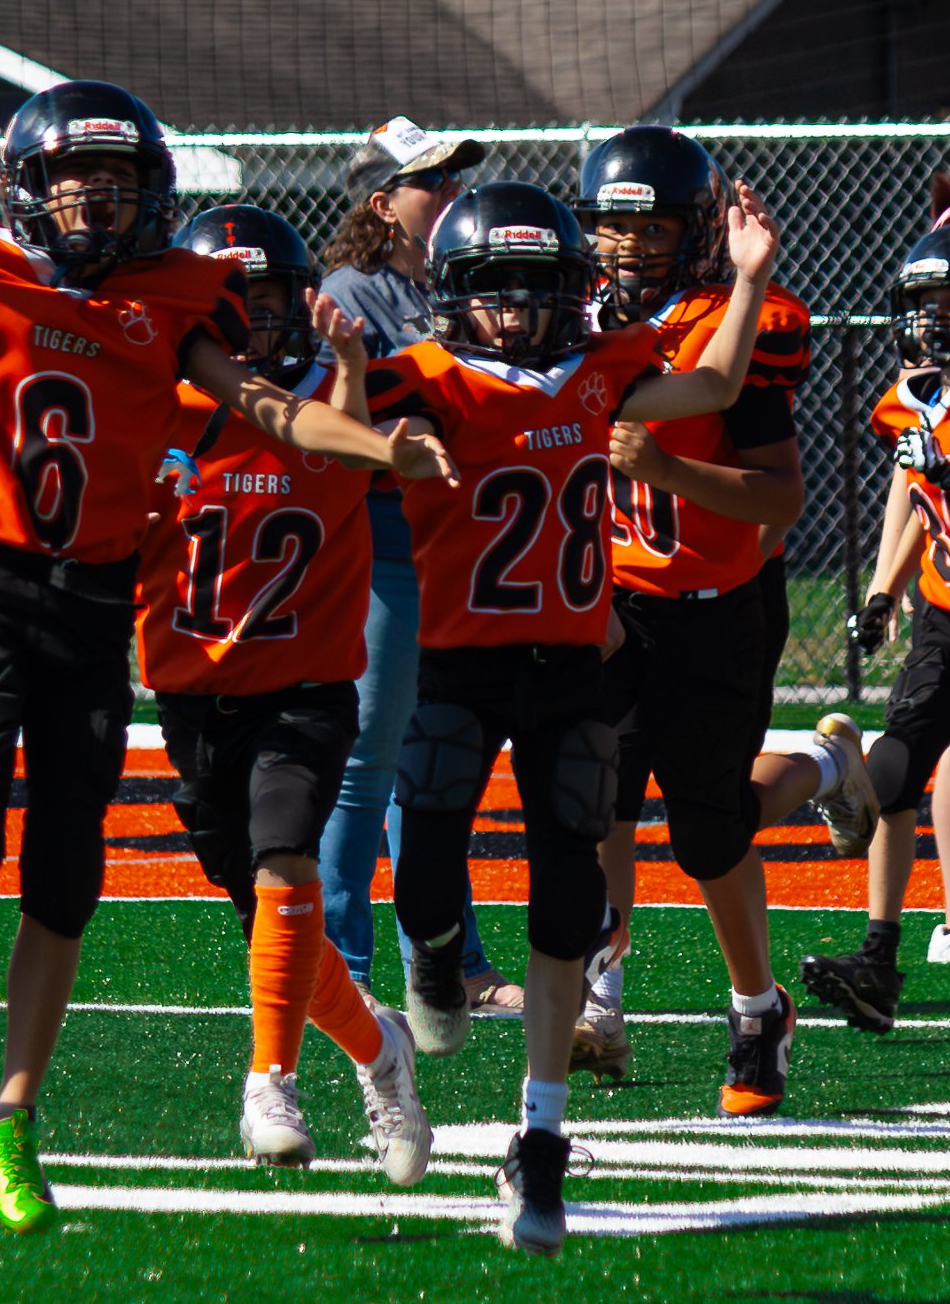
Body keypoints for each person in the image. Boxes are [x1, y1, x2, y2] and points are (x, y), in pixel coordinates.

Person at [0, 39, 450, 1235]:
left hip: (104, 606)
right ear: (29, 189)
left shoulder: (173, 304)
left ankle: (16, 1116)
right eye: (76, 182)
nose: (99, 201)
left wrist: (376, 445)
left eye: (118, 181)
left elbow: (267, 404)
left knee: (69, 869)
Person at [362, 178, 782, 1255]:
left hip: (564, 668)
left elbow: (718, 381)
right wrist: (340, 391)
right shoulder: (420, 377)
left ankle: (538, 1137)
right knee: (422, 880)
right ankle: (436, 952)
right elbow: (324, 429)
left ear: (570, 288)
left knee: (567, 906)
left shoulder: (599, 372)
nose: (513, 308)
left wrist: (744, 279)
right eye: (492, 289)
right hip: (456, 667)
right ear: (454, 294)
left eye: (535, 285)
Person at [573, 125, 873, 1111]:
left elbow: (779, 501)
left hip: (716, 604)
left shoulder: (740, 323)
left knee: (707, 832)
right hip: (611, 604)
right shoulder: (572, 322)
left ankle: (756, 1007)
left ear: (694, 231)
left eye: (649, 227)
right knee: (598, 798)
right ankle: (599, 999)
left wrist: (660, 468)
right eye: (612, 226)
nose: (626, 247)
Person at [135, 206, 432, 1184]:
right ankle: (378, 1047)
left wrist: (353, 383)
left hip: (303, 690)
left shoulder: (324, 399)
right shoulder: (154, 404)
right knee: (279, 927)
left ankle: (270, 1079)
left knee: (282, 868)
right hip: (195, 703)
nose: (254, 323)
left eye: (268, 302)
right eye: (234, 305)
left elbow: (352, 443)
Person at [802, 223, 950, 1036]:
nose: (938, 320)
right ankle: (890, 946)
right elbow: (917, 494)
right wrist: (884, 586)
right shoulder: (913, 392)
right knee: (914, 761)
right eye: (926, 305)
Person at [313, 117, 523, 1020]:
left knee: (434, 765)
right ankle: (342, 970)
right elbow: (348, 432)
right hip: (385, 545)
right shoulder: (351, 291)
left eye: (450, 179)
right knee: (370, 762)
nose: (448, 194)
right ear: (381, 203)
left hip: (456, 546)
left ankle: (448, 961)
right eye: (428, 182)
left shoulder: (448, 280)